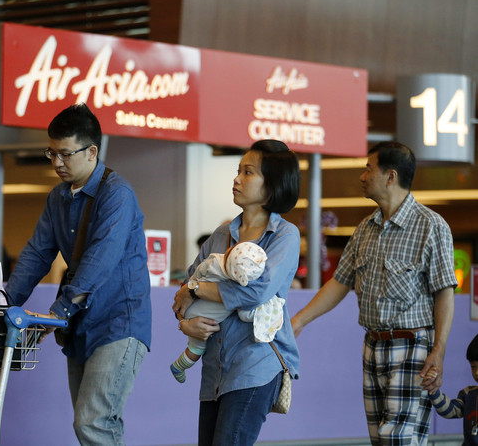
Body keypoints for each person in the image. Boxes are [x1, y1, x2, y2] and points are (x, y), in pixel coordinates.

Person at [4, 103, 151, 445]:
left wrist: (59, 312)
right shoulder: (57, 198)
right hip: (81, 327)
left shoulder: (117, 194)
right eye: (51, 153)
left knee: (93, 422)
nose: (56, 163)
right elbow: (37, 254)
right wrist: (1, 302)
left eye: (65, 154)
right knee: (94, 426)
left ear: (92, 151)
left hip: (119, 324)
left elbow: (100, 260)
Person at [291, 141, 457, 445]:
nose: (362, 176)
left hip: (412, 348)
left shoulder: (431, 226)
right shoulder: (365, 228)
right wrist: (299, 320)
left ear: (390, 176)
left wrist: (440, 349)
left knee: (398, 440)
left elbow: (444, 292)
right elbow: (340, 283)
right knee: (380, 440)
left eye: (369, 168)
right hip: (372, 345)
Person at [172, 139, 301, 444]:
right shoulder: (219, 236)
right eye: (238, 170)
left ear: (271, 185)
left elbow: (255, 293)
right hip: (214, 370)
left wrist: (196, 289)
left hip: (256, 364)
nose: (237, 179)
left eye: (248, 172)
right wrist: (185, 323)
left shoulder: (284, 235)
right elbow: (183, 296)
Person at [170, 241, 285, 383]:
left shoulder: (213, 261)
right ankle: (178, 367)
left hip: (189, 305)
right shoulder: (232, 289)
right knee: (196, 349)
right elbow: (245, 314)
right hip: (201, 320)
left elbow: (194, 277)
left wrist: (192, 286)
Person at [425, 334, 478, 445]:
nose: (477, 372)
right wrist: (434, 390)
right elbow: (449, 410)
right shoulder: (469, 394)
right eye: (473, 366)